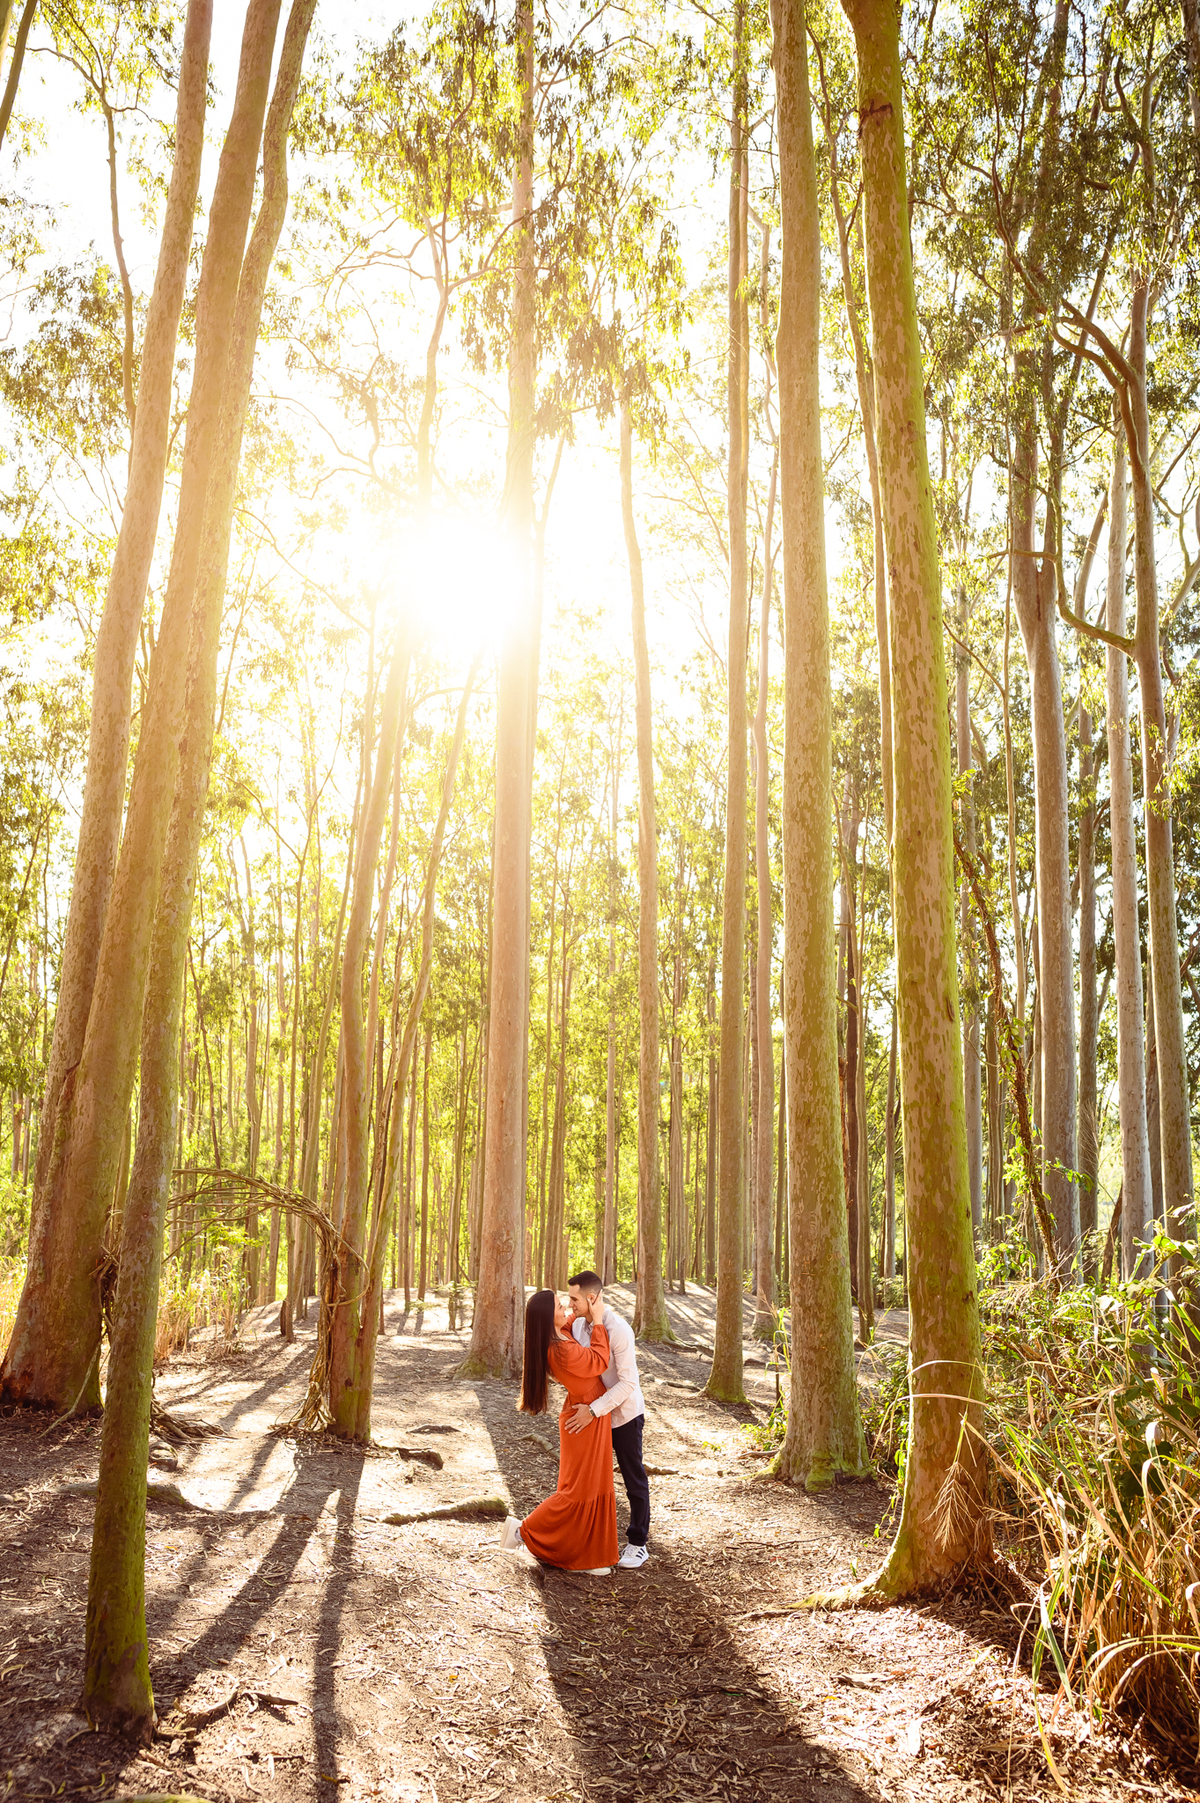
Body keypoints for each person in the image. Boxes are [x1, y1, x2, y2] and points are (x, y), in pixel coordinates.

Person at [498, 1286, 618, 1573]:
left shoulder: (559, 1335)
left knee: (593, 1484)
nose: (564, 1305)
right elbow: (598, 1361)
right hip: (584, 1416)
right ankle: (522, 1531)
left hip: (588, 1412)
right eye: (557, 1304)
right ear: (545, 1317)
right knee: (578, 1490)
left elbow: (573, 1318)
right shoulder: (560, 1349)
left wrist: (585, 1306)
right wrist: (599, 1320)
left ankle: (587, 1554)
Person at [565, 1271, 650, 1570]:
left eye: (574, 1298)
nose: (569, 1303)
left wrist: (594, 1409)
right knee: (591, 1480)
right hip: (595, 1417)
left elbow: (628, 1383)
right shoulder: (577, 1326)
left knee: (632, 1478)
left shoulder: (619, 1329)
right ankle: (588, 1539)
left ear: (592, 1298)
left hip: (624, 1414)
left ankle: (638, 1543)